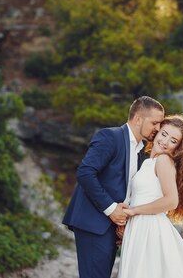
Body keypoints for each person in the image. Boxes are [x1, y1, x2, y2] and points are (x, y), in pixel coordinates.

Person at [62, 96, 165, 278]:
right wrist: (111, 209)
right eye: (155, 123)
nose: (158, 129)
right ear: (138, 118)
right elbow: (85, 173)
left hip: (112, 228)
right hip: (94, 222)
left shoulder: (142, 151)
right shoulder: (110, 136)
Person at [117, 114, 183, 278]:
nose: (165, 141)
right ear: (157, 132)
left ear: (177, 147)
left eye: (173, 140)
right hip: (140, 226)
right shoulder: (148, 162)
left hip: (149, 227)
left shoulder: (163, 160)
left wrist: (134, 211)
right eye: (164, 134)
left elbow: (171, 201)